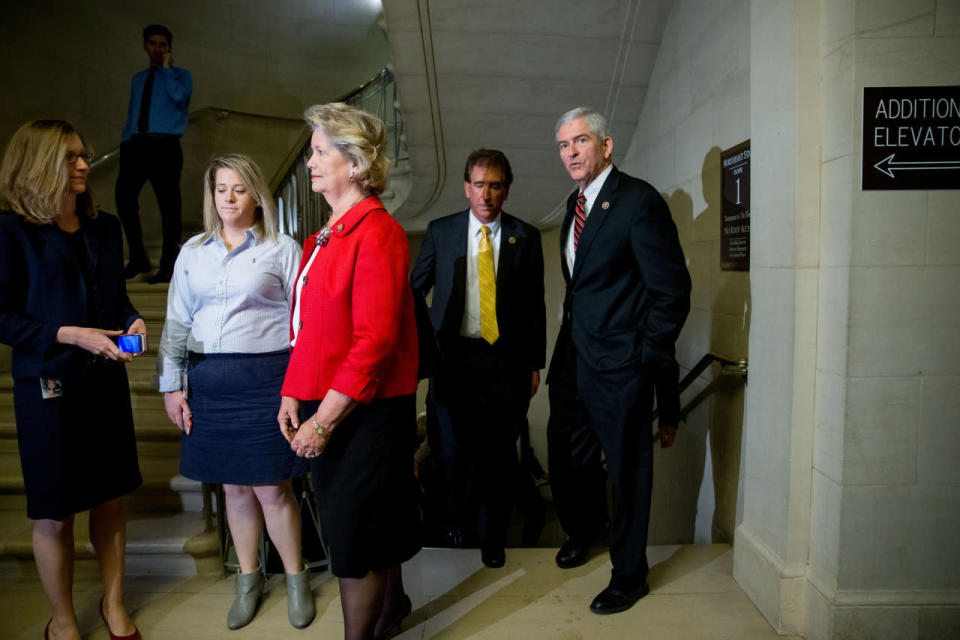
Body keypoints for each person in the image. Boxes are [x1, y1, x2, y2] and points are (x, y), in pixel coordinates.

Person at [278, 102, 421, 640]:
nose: (310, 162)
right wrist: (294, 395)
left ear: (355, 163)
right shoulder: (326, 235)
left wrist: (325, 421)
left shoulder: (377, 231)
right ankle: (393, 606)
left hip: (366, 412)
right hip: (331, 402)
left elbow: (374, 342)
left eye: (320, 152)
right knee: (361, 527)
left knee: (356, 539)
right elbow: (308, 330)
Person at [0, 120, 146, 640]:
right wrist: (70, 334)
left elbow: (116, 298)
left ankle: (113, 605)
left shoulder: (105, 228)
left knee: (110, 499)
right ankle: (62, 620)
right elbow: (2, 317)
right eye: (70, 157)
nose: (84, 164)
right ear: (37, 164)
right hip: (48, 387)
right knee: (56, 514)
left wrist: (133, 319)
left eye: (83, 155)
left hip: (105, 382)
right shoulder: (11, 232)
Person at [156, 153, 314, 630]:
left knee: (272, 488)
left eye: (238, 189)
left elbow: (302, 325)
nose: (228, 197)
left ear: (256, 196)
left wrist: (296, 389)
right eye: (221, 189)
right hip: (209, 384)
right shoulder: (192, 251)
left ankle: (295, 578)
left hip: (267, 381)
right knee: (233, 489)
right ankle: (249, 580)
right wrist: (171, 385)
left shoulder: (282, 248)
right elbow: (177, 322)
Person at [546, 107, 691, 615]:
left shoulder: (637, 201)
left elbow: (671, 291)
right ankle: (583, 532)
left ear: (605, 145)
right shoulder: (575, 202)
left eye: (580, 142)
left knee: (627, 473)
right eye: (564, 145)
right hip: (577, 359)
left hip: (622, 365)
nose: (571, 153)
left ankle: (630, 576)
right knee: (569, 456)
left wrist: (645, 357)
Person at [410, 149, 545, 568]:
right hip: (452, 361)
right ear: (466, 187)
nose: (486, 194)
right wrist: (423, 346)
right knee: (452, 452)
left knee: (500, 455)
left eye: (495, 185)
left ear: (506, 189)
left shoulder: (526, 236)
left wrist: (535, 363)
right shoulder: (441, 230)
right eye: (479, 185)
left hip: (505, 365)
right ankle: (456, 526)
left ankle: (491, 538)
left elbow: (535, 305)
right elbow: (414, 290)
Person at [115, 23, 192, 284]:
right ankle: (138, 257)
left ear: (168, 47)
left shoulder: (181, 75)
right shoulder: (138, 78)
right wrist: (127, 141)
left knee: (169, 207)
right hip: (136, 144)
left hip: (165, 146)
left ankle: (169, 265)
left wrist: (168, 69)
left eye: (162, 44)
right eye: (153, 43)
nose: (157, 48)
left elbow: (180, 98)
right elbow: (132, 112)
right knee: (124, 200)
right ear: (145, 46)